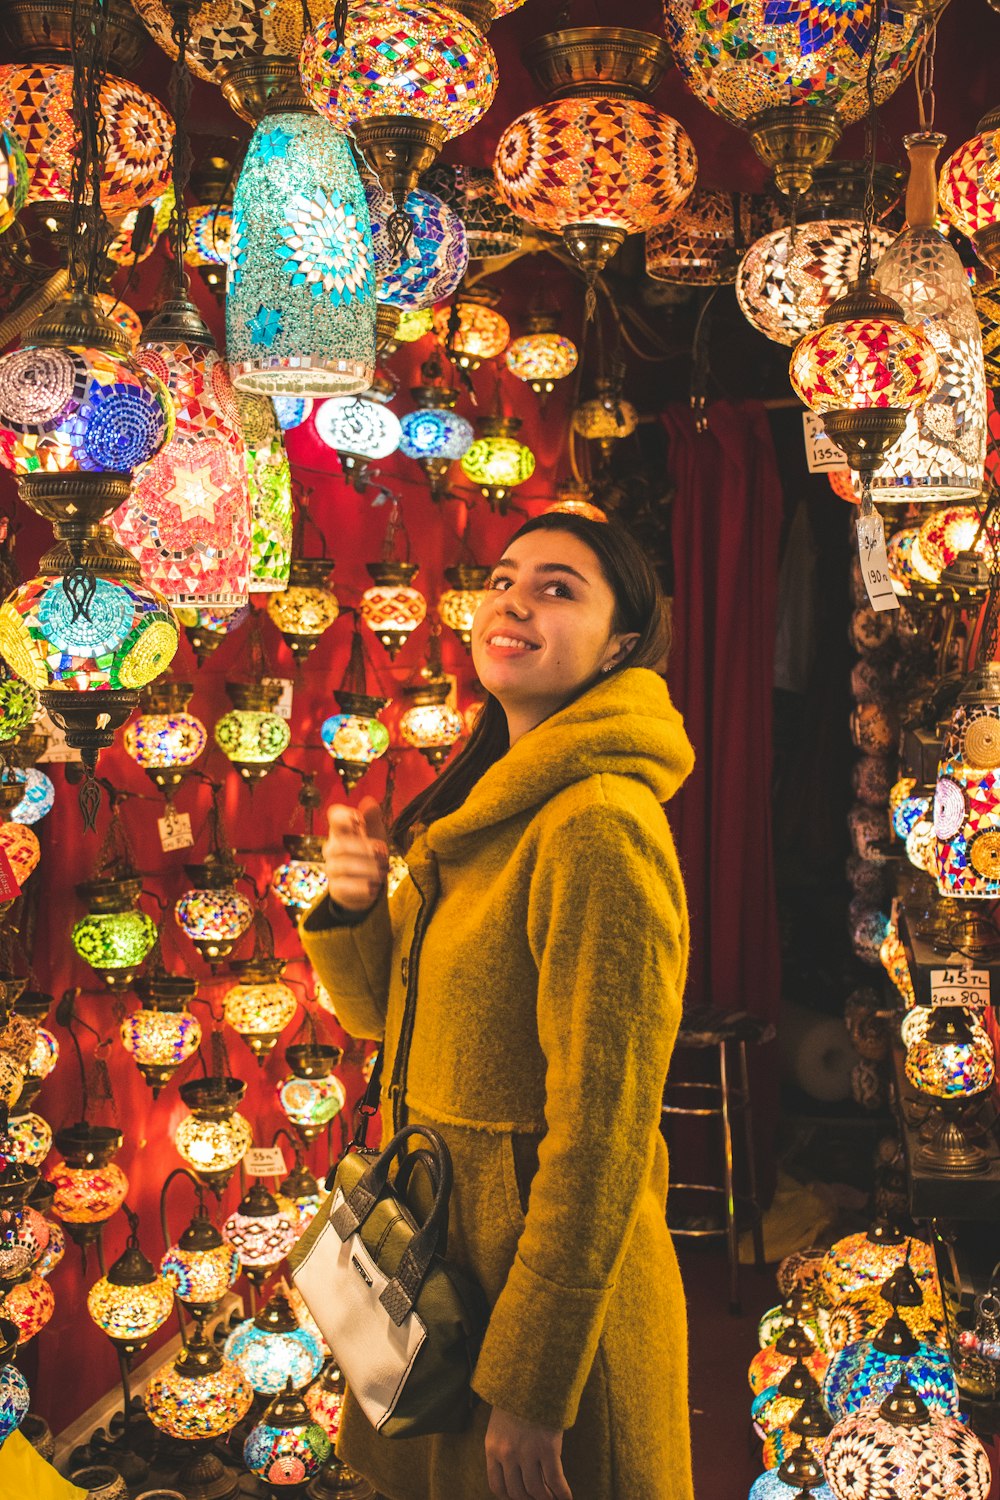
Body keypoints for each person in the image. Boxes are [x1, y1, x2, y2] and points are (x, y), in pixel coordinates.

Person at [301, 512, 695, 1500]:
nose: (513, 599)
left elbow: (604, 1137)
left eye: (559, 587)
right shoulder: (481, 814)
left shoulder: (597, 827)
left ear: (619, 646)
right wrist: (354, 908)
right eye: (507, 576)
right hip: (441, 1282)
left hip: (544, 1323)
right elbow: (379, 1031)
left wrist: (532, 1384)